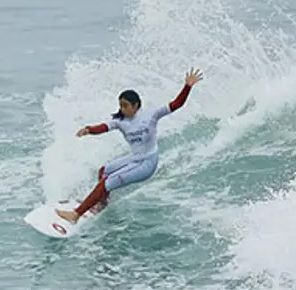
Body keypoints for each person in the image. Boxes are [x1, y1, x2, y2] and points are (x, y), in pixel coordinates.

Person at [55, 67, 203, 224]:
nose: (122, 109)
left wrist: (187, 86)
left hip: (147, 163)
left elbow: (176, 104)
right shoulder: (121, 121)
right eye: (121, 105)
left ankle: (75, 215)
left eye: (125, 105)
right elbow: (104, 127)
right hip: (134, 159)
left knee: (106, 183)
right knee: (104, 171)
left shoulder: (151, 115)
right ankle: (102, 203)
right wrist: (88, 130)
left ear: (136, 105)